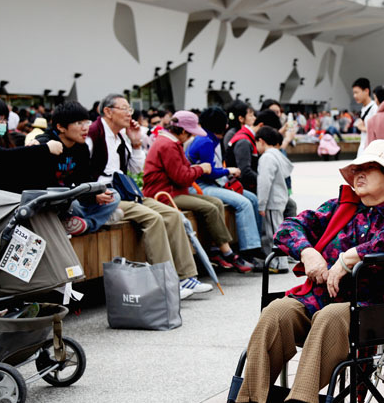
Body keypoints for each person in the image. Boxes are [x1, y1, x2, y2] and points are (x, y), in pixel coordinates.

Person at [201, 140, 384, 403]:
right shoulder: (341, 207)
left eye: (369, 168)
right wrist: (307, 251)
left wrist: (352, 256)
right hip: (321, 298)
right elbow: (287, 228)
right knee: (278, 311)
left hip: (375, 308)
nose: (358, 174)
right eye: (356, 168)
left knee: (332, 316)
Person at [87, 94, 206, 299]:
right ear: (108, 111)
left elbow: (135, 169)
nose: (129, 114)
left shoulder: (121, 136)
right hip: (106, 197)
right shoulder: (93, 135)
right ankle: (166, 281)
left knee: (174, 215)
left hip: (125, 192)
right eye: (125, 109)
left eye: (130, 109)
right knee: (154, 218)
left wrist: (134, 144)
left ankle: (186, 276)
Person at [143, 110, 253, 273]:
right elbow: (182, 177)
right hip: (166, 193)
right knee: (210, 207)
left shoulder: (169, 141)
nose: (190, 137)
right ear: (182, 131)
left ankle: (216, 249)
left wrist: (196, 169)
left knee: (215, 203)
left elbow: (180, 172)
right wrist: (200, 169)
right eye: (190, 133)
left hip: (172, 190)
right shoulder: (168, 145)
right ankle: (227, 252)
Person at [186, 107, 263, 262]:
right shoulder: (205, 141)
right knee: (244, 203)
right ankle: (248, 251)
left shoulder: (210, 138)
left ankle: (256, 244)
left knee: (253, 199)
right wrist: (228, 171)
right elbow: (209, 171)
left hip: (212, 184)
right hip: (201, 185)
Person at [37, 101, 121, 235]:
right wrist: (83, 195)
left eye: (87, 122)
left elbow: (84, 179)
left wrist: (95, 195)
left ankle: (84, 224)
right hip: (53, 200)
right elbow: (46, 186)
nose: (85, 128)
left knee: (114, 195)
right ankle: (96, 219)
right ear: (61, 127)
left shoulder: (81, 148)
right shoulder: (48, 145)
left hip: (74, 196)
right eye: (78, 123)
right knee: (73, 205)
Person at [255, 126, 293, 273]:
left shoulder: (266, 158)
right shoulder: (277, 154)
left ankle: (277, 263)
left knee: (272, 234)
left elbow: (264, 182)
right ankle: (281, 261)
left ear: (261, 141)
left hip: (271, 201)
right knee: (278, 230)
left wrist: (261, 204)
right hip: (280, 198)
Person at [352, 78, 376, 155]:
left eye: (356, 92)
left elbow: (378, 130)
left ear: (366, 91)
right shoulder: (364, 108)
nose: (354, 96)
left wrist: (362, 128)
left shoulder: (374, 108)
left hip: (370, 152)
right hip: (363, 150)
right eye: (354, 93)